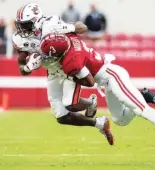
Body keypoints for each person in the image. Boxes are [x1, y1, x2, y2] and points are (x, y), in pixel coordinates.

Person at [40, 32, 155, 165]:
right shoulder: (69, 39)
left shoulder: (72, 60)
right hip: (106, 81)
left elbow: (90, 82)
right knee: (120, 120)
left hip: (112, 75)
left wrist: (68, 76)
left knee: (142, 110)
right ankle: (143, 95)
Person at [13, 3, 114, 145]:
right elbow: (21, 66)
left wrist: (69, 27)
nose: (21, 29)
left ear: (35, 20)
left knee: (70, 104)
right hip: (52, 72)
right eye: (20, 25)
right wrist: (28, 68)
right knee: (61, 117)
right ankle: (99, 122)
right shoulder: (21, 39)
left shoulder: (51, 23)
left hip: (67, 65)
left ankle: (91, 103)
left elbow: (83, 27)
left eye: (25, 24)